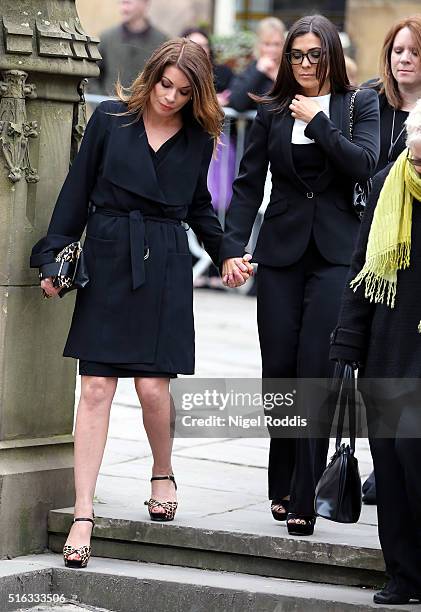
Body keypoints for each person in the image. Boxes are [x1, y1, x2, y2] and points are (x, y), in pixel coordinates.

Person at [30, 39, 237, 569]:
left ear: (198, 95)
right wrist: (53, 256)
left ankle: (162, 471)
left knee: (151, 387)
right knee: (96, 386)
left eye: (184, 91)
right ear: (152, 76)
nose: (170, 97)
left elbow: (198, 206)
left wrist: (225, 255)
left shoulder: (199, 136)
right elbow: (76, 190)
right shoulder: (111, 121)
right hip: (107, 254)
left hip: (164, 262)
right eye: (165, 84)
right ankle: (82, 512)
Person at [220, 14, 379, 535]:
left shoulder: (360, 105)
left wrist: (319, 122)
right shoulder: (269, 111)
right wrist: (231, 249)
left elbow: (365, 165)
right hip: (282, 255)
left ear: (332, 55)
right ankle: (282, 482)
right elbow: (247, 185)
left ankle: (306, 494)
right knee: (280, 372)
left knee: (315, 369)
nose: (306, 64)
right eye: (297, 55)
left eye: (315, 54)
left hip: (335, 256)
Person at [330, 101, 421, 606]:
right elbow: (361, 267)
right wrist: (347, 342)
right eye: (414, 153)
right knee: (387, 459)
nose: (417, 166)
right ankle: (403, 574)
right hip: (388, 341)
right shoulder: (390, 182)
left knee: (414, 450)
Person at [360, 15, 421, 504]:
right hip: (377, 242)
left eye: (414, 51)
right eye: (398, 50)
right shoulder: (369, 102)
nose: (404, 58)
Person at [89, 0, 167, 95]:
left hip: (145, 109)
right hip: (110, 108)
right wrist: (100, 103)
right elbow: (91, 75)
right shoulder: (106, 38)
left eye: (128, 2)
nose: (123, 8)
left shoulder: (163, 42)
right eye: (121, 2)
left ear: (145, 3)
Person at [229, 17, 286, 112]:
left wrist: (276, 79)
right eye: (267, 44)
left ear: (283, 44)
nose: (272, 50)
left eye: (276, 44)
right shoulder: (251, 69)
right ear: (259, 44)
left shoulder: (289, 69)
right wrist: (259, 71)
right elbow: (237, 103)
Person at [180, 27, 233, 107]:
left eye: (205, 45)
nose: (201, 49)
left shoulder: (224, 73)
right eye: (195, 45)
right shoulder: (177, 70)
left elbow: (235, 96)